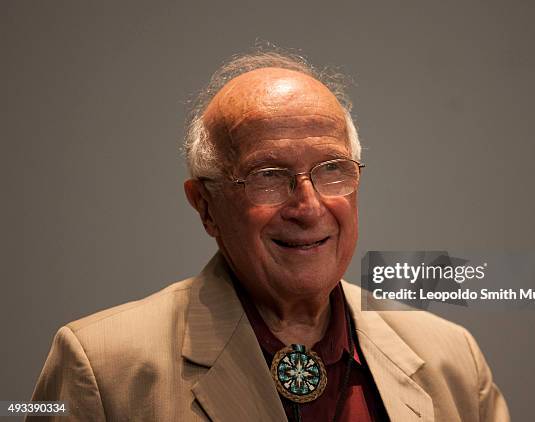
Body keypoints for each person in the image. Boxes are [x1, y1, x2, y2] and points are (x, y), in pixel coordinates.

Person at [30, 49, 510, 422]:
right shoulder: (102, 366)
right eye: (268, 176)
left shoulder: (453, 360)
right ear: (205, 205)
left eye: (332, 170)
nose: (308, 206)